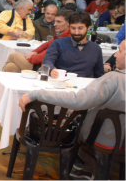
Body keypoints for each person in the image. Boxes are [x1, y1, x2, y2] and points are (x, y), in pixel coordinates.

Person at [18, 39, 126, 181]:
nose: (115, 55)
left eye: (119, 50)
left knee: (74, 121)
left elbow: (77, 101)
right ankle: (88, 167)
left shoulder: (113, 80)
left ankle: (87, 166)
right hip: (122, 140)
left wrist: (36, 94)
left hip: (103, 138)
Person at [3, 9, 72, 73]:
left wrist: (31, 57)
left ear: (68, 24)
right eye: (55, 21)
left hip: (44, 68)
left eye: (59, 22)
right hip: (40, 64)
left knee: (14, 55)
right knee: (11, 66)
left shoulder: (67, 38)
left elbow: (46, 56)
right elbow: (46, 45)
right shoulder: (61, 34)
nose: (55, 24)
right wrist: (34, 52)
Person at [43, 11, 104, 79]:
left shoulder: (96, 48)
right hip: (62, 81)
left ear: (88, 27)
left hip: (86, 86)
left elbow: (99, 74)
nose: (76, 32)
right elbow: (47, 61)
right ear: (69, 27)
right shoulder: (58, 43)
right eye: (73, 28)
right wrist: (52, 69)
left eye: (80, 28)